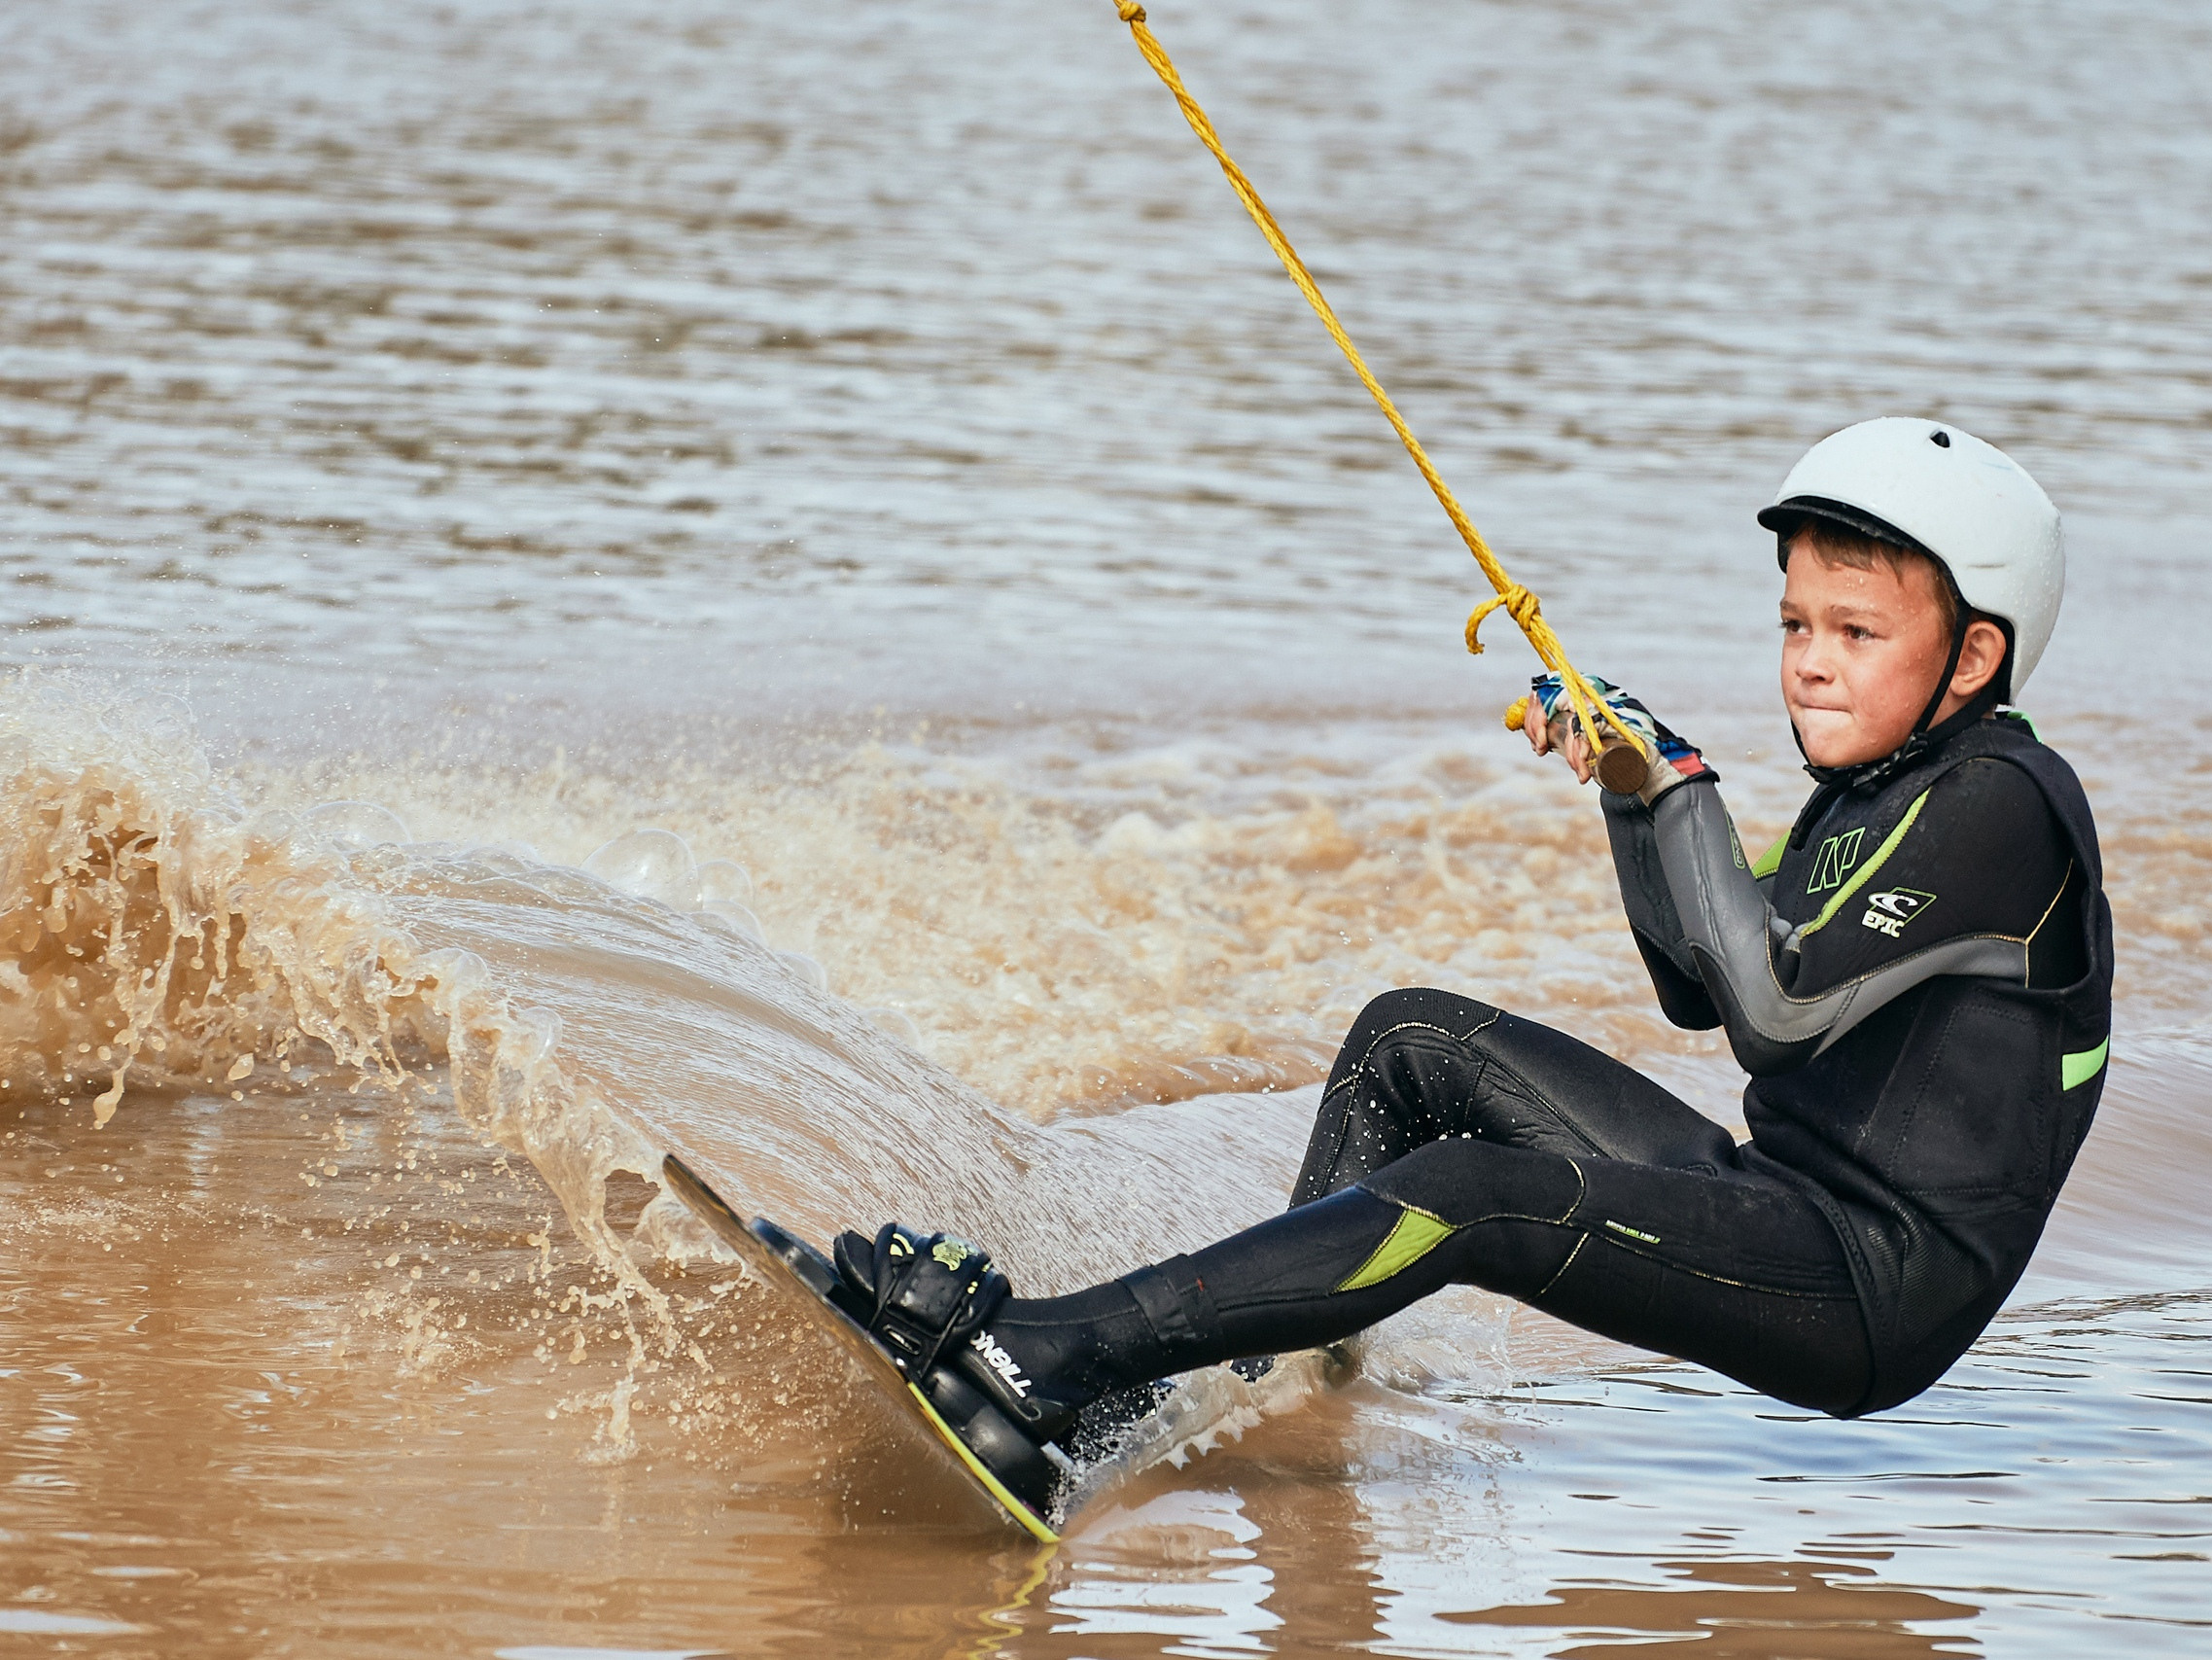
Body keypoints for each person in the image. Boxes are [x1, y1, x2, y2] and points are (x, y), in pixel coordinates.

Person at [756, 417, 2116, 1511]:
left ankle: (1043, 1352)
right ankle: (1191, 1397)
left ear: (1974, 655)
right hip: (1787, 1202)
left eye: (1856, 634)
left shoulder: (2005, 801)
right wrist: (1631, 788)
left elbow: (1768, 1004)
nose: (1811, 666)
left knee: (1470, 1200)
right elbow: (1695, 987)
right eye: (1795, 626)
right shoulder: (1875, 786)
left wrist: (1682, 773)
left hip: (1870, 1285)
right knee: (1414, 1049)